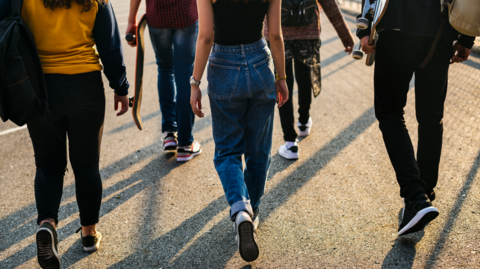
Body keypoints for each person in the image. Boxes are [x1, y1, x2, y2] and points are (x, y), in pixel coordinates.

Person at [0, 0, 129, 267]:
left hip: (38, 86)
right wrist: (120, 86)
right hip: (85, 85)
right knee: (87, 165)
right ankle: (89, 235)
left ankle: (47, 223)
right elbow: (110, 45)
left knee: (47, 164)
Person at [358, 0, 475, 236]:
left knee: (389, 112)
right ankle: (425, 194)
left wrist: (365, 27)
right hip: (440, 29)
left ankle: (415, 197)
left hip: (395, 25)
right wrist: (466, 38)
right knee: (431, 117)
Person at [190, 0, 288, 262]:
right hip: (260, 63)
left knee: (227, 152)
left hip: (223, 65)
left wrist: (195, 82)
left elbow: (206, 37)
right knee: (259, 152)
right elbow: (275, 35)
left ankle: (240, 210)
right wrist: (281, 77)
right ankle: (251, 212)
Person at [264, 0, 354, 159]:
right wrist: (346, 38)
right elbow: (330, 5)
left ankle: (290, 143)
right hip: (308, 31)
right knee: (305, 78)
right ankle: (304, 121)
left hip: (278, 32)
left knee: (283, 82)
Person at [127, 0, 201, 162]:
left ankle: (169, 133)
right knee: (184, 74)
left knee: (165, 69)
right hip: (186, 14)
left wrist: (131, 20)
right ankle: (185, 144)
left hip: (158, 17)